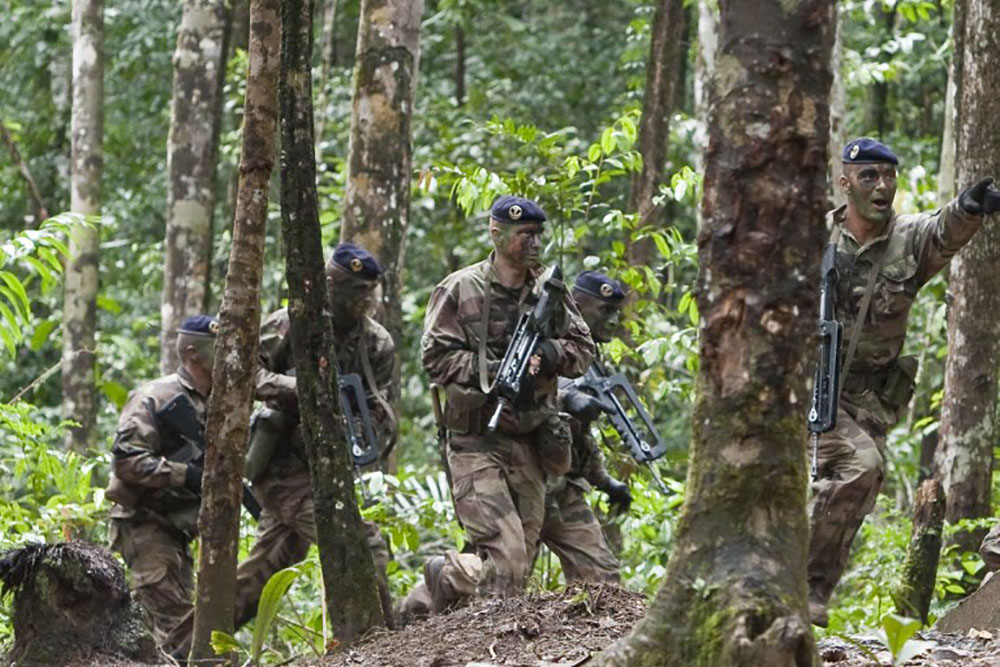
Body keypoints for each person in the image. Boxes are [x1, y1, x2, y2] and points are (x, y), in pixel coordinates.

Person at [808, 138, 1000, 627]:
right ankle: (800, 590)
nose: (882, 186)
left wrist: (970, 205)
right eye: (869, 176)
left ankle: (807, 593)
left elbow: (943, 231)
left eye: (889, 176)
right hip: (809, 389)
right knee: (856, 468)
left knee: (858, 484)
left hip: (869, 400)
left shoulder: (907, 238)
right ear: (845, 181)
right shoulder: (813, 240)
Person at [421, 195, 595, 597]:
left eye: (538, 235)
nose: (534, 244)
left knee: (518, 567)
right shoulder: (461, 289)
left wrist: (549, 353)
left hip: (531, 442)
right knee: (508, 560)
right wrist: (498, 372)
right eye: (524, 235)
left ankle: (446, 582)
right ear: (496, 234)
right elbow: (435, 359)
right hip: (475, 442)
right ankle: (462, 604)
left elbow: (583, 352)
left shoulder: (550, 292)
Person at [232, 242, 396, 629]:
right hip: (282, 467)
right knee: (363, 545)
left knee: (258, 579)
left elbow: (378, 410)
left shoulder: (376, 343)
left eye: (369, 291)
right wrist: (300, 388)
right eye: (355, 290)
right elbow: (243, 376)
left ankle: (185, 646)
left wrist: (355, 427)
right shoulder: (288, 325)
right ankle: (384, 641)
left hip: (330, 469)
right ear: (329, 285)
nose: (365, 300)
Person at [106, 315, 219, 655]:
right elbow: (125, 461)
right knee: (177, 628)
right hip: (144, 525)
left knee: (169, 627)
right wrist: (184, 474)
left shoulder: (215, 404)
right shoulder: (154, 397)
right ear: (192, 354)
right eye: (219, 350)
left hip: (177, 530)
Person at [543, 270, 634, 582]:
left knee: (603, 579)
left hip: (562, 484)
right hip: (519, 477)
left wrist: (605, 482)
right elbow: (511, 393)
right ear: (578, 305)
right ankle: (433, 587)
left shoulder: (589, 357)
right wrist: (566, 399)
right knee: (496, 577)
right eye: (606, 311)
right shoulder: (544, 338)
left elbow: (580, 435)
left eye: (616, 313)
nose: (613, 321)